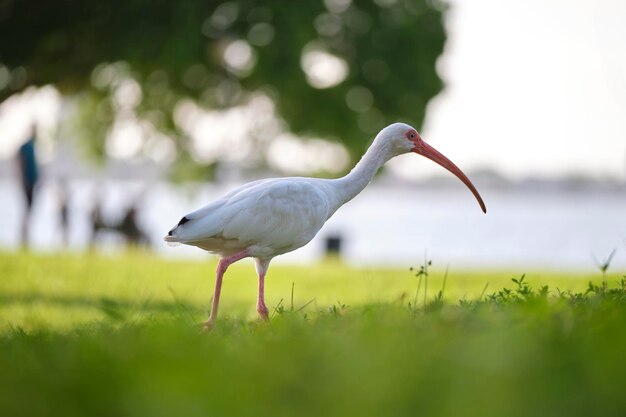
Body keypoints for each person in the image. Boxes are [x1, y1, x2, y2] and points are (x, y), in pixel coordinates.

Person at [16, 127, 39, 248]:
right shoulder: (25, 146)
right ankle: (23, 238)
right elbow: (19, 160)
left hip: (32, 183)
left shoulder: (33, 147)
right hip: (27, 183)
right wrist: (23, 178)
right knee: (27, 209)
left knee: (29, 209)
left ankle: (26, 237)